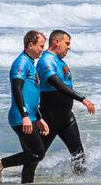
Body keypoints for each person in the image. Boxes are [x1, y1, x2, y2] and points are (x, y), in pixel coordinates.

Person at [0, 31, 50, 184]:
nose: (42, 49)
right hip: (20, 117)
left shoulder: (30, 63)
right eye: (41, 46)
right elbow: (17, 89)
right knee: (38, 153)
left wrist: (38, 118)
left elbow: (31, 95)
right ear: (30, 45)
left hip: (30, 116)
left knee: (31, 158)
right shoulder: (21, 62)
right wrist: (24, 116)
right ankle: (0, 163)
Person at [37, 30, 95, 174]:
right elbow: (56, 83)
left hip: (66, 118)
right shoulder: (46, 60)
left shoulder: (59, 61)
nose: (69, 47)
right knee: (36, 155)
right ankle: (6, 170)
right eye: (67, 43)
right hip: (49, 118)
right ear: (57, 42)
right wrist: (82, 99)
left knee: (78, 154)